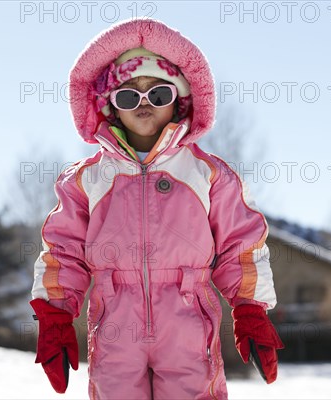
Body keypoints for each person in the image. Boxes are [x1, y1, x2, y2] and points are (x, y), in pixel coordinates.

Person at [30, 18, 284, 400]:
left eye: (158, 94)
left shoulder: (208, 174)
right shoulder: (88, 179)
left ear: (180, 100)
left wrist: (251, 307)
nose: (144, 104)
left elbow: (241, 245)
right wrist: (55, 315)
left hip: (187, 316)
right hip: (115, 320)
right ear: (110, 105)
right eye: (129, 96)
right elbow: (63, 252)